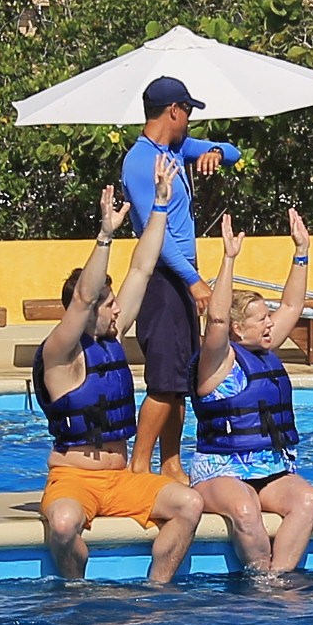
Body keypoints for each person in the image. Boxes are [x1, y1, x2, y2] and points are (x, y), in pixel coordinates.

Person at [35, 173, 205, 583]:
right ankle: (76, 590)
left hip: (122, 477)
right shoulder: (60, 355)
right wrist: (105, 235)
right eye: (109, 304)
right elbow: (83, 298)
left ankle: (157, 589)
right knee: (63, 525)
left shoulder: (112, 336)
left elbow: (142, 268)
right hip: (74, 480)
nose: (118, 310)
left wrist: (159, 207)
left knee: (190, 505)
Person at [119, 74, 244, 477]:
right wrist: (193, 280)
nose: (189, 120)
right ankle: (139, 467)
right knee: (163, 381)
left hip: (181, 279)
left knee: (180, 380)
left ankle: (170, 464)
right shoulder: (140, 161)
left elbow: (235, 152)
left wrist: (215, 153)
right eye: (188, 111)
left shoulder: (177, 148)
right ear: (174, 110)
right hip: (162, 281)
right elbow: (154, 235)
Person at [188, 209, 313, 575]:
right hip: (221, 470)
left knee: (307, 499)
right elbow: (216, 319)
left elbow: (293, 305)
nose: (270, 324)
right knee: (245, 508)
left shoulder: (263, 348)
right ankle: (259, 581)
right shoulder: (218, 361)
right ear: (237, 328)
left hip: (270, 468)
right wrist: (229, 258)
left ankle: (277, 581)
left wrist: (301, 251)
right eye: (262, 319)